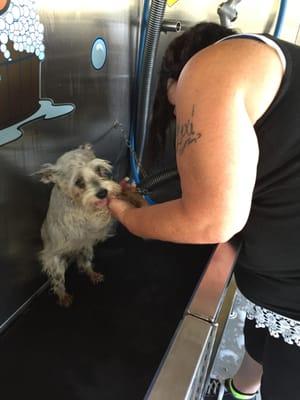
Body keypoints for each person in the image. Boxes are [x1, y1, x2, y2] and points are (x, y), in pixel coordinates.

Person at [108, 22, 300, 400]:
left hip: (294, 299)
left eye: (174, 107)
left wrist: (130, 218)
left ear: (171, 82)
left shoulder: (210, 70)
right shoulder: (267, 64)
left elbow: (211, 219)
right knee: (260, 346)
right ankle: (238, 392)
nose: (177, 113)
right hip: (283, 298)